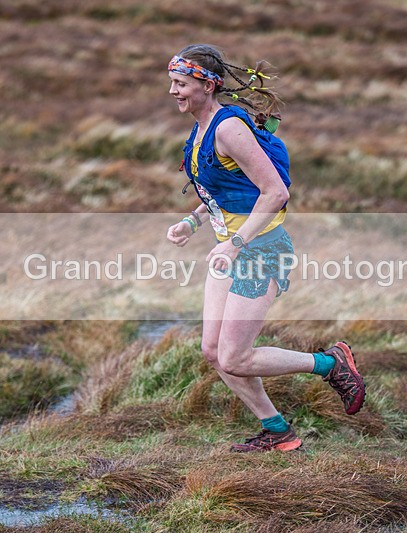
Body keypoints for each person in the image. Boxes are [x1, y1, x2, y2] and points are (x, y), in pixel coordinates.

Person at [165, 44, 366, 452]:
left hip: (261, 250)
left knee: (235, 357)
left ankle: (330, 364)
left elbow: (274, 191)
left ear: (207, 85)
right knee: (213, 351)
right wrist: (193, 220)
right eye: (171, 82)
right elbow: (227, 191)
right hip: (232, 249)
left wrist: (236, 243)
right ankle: (277, 432)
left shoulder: (227, 128)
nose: (173, 91)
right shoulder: (202, 128)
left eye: (181, 83)